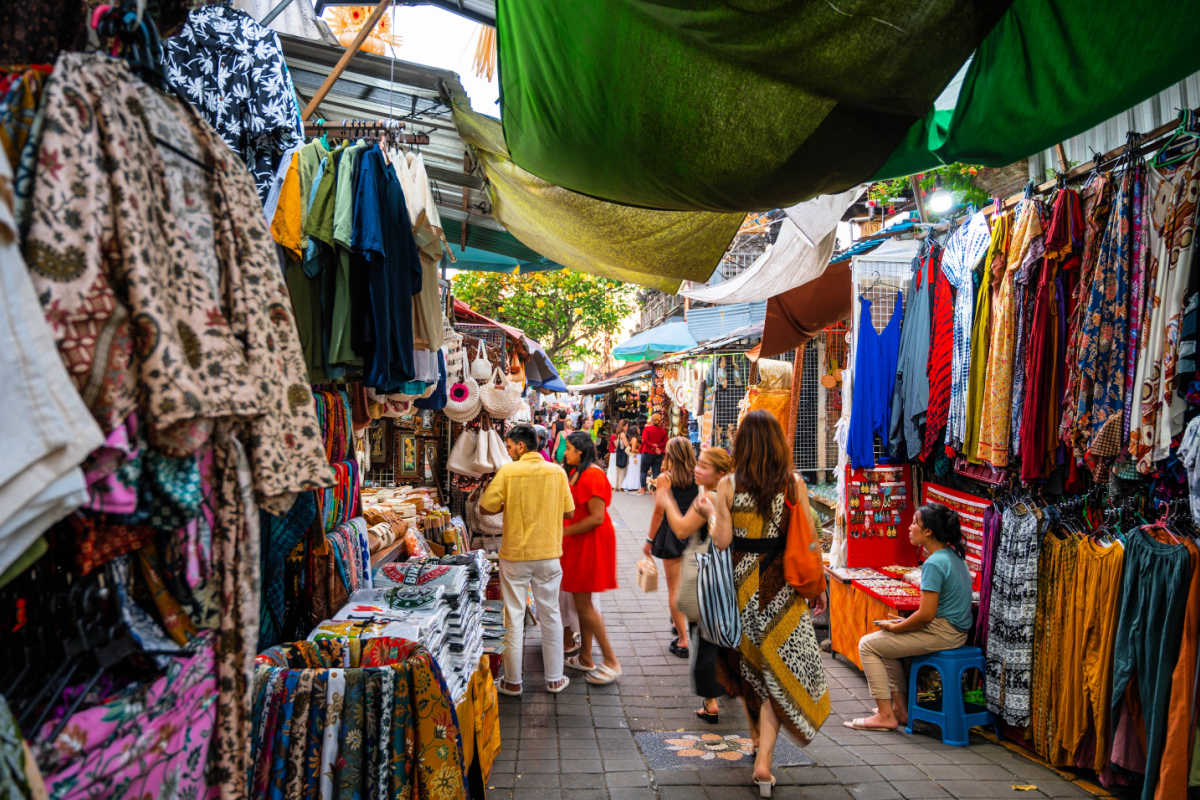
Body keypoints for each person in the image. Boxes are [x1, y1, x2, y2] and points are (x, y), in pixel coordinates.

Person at [697, 410, 829, 797]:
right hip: (782, 591)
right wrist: (816, 583)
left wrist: (711, 515)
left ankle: (758, 745)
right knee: (777, 673)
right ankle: (764, 761)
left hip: (741, 590)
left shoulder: (727, 485)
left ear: (742, 444)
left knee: (751, 670)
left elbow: (721, 542)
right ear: (777, 444)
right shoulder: (793, 484)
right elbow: (809, 536)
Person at [848, 502, 972, 732]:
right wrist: (899, 626)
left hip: (944, 633)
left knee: (867, 645)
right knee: (884, 640)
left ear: (928, 532)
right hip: (952, 630)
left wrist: (898, 628)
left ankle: (885, 715)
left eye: (915, 522)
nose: (909, 527)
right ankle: (900, 710)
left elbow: (926, 615)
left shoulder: (935, 563)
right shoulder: (952, 557)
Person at [479, 424, 576, 696]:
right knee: (551, 614)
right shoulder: (556, 472)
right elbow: (569, 512)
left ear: (521, 447)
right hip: (548, 555)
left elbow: (486, 507)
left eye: (510, 447)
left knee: (513, 616)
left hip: (516, 556)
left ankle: (512, 681)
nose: (509, 452)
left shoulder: (509, 472)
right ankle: (555, 678)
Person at [655, 446, 734, 724]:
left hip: (707, 576)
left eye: (704, 467)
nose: (697, 469)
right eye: (697, 464)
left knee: (705, 638)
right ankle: (730, 690)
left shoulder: (708, 499)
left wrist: (666, 500)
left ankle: (711, 701)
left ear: (720, 474)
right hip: (728, 575)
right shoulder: (728, 494)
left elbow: (680, 529)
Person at [560, 432, 623, 685]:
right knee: (581, 602)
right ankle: (586, 656)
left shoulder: (592, 474)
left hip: (591, 542)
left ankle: (611, 660)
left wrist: (563, 531)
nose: (566, 453)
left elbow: (596, 517)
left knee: (584, 604)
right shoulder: (578, 472)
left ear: (581, 452)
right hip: (580, 541)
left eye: (570, 449)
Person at [645, 437, 698, 659]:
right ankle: (690, 631)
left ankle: (683, 641)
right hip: (695, 533)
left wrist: (649, 540)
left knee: (674, 589)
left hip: (672, 535)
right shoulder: (699, 477)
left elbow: (659, 512)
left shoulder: (665, 479)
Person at [638, 412, 668, 494]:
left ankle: (643, 489)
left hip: (647, 452)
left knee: (644, 471)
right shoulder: (663, 431)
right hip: (658, 453)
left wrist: (653, 446)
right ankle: (654, 489)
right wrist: (657, 447)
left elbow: (644, 440)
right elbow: (665, 442)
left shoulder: (647, 429)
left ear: (652, 420)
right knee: (656, 472)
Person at [607, 420, 630, 489]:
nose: (627, 428)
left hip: (615, 454)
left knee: (615, 469)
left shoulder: (617, 435)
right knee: (614, 468)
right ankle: (614, 484)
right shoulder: (616, 435)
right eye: (626, 426)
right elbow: (618, 445)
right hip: (614, 454)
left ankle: (615, 484)